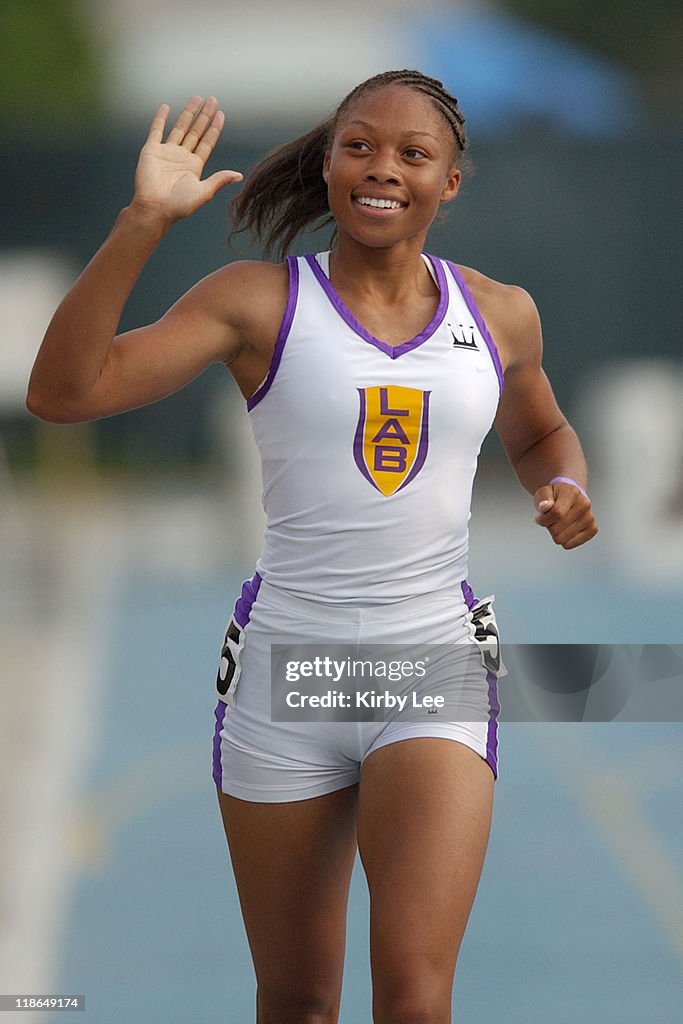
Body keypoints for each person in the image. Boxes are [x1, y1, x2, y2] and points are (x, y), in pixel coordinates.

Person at [27, 70, 598, 1024]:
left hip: (432, 663)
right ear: (329, 163)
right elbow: (66, 392)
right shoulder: (254, 303)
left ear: (449, 181)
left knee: (415, 998)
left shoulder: (498, 314)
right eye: (359, 146)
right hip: (287, 669)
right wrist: (141, 223)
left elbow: (541, 434)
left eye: (413, 154)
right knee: (296, 999)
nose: (383, 170)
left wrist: (566, 484)